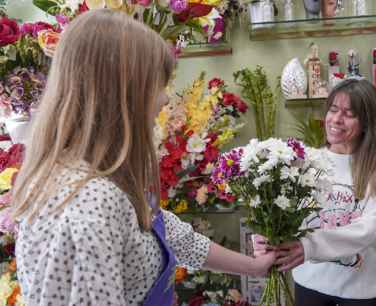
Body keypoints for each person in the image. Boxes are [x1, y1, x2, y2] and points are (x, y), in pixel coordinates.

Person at [12, 9, 275, 306]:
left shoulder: (107, 177)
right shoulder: (87, 202)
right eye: (157, 84)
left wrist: (253, 266)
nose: (165, 99)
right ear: (119, 92)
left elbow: (172, 236)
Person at [254, 79, 376, 306]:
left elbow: (369, 229)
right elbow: (284, 214)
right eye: (333, 110)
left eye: (349, 114)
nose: (336, 119)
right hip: (310, 282)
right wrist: (266, 235)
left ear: (367, 122)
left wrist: (309, 246)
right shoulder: (307, 161)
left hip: (361, 290)